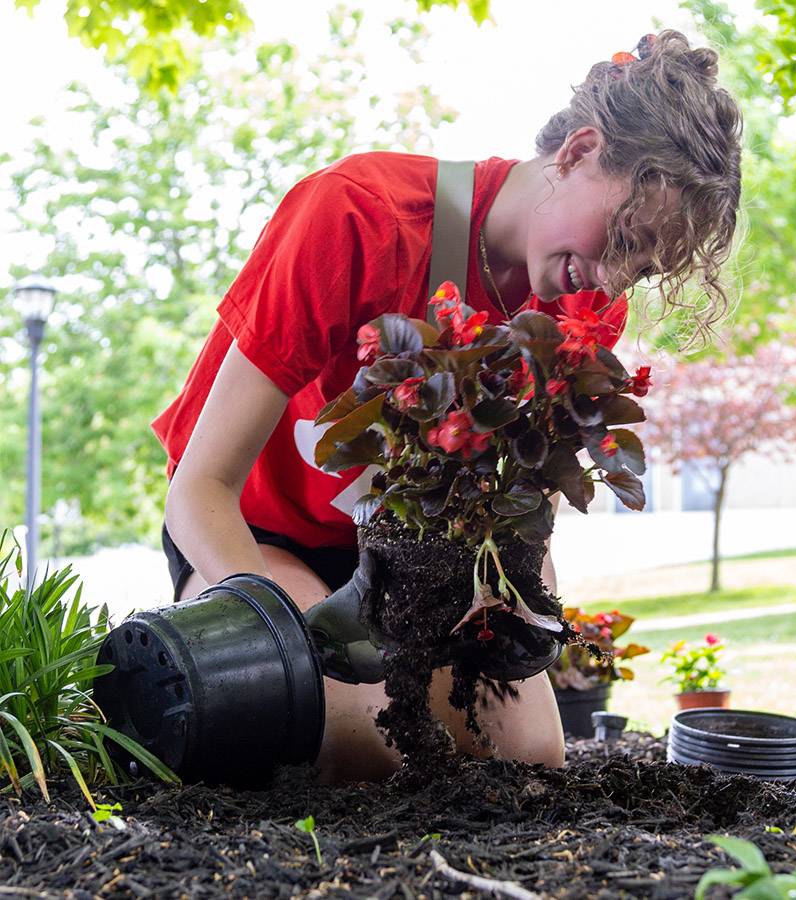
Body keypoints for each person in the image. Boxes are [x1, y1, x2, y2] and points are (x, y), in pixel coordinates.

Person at [152, 30, 743, 783]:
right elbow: (198, 491)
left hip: (412, 560)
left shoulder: (582, 300)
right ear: (579, 151)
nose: (615, 276)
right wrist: (286, 647)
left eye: (644, 264)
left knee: (526, 760)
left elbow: (516, 512)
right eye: (622, 236)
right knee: (367, 748)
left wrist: (528, 617)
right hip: (259, 535)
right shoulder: (358, 217)